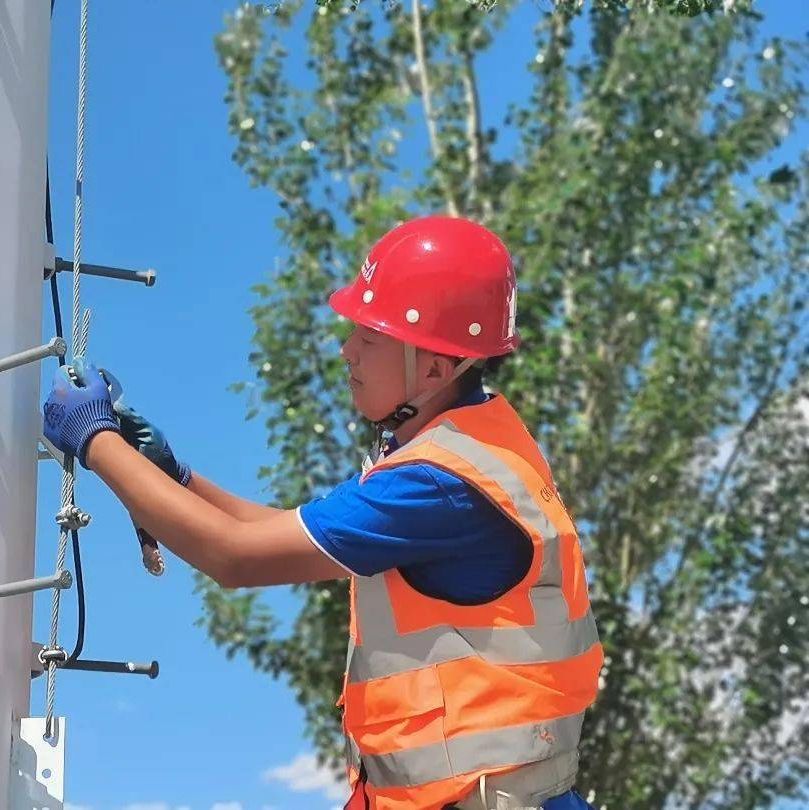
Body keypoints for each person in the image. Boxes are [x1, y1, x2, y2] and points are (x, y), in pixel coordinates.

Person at [43, 216, 603, 810]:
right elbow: (282, 529)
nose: (347, 351)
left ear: (436, 368)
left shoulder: (436, 486)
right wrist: (174, 477)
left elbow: (235, 557)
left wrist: (95, 439)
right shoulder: (468, 442)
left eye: (371, 337)